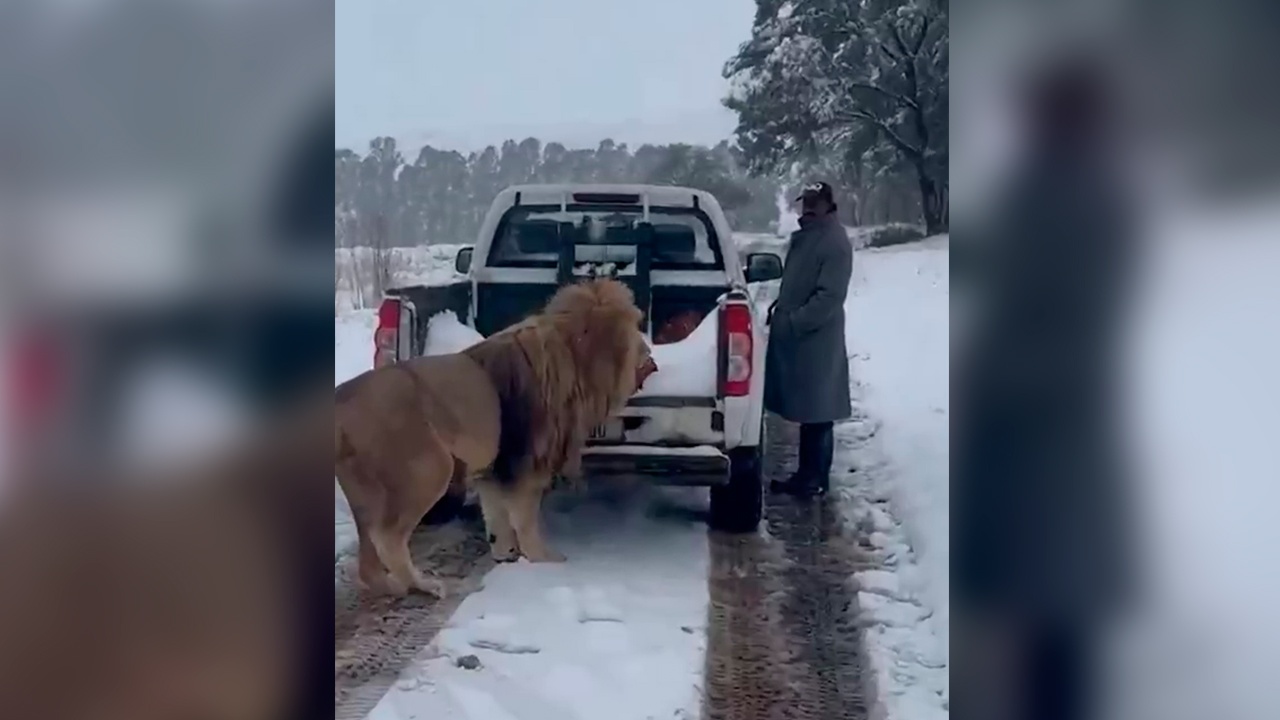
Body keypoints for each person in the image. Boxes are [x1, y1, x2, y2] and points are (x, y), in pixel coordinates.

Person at [764, 181, 854, 498]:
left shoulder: (834, 242)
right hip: (804, 337)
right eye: (806, 202)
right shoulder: (811, 236)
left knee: (819, 413)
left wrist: (795, 322)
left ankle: (814, 479)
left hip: (817, 339)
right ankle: (807, 475)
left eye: (816, 202)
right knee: (810, 412)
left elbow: (829, 296)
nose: (809, 208)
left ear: (829, 205)